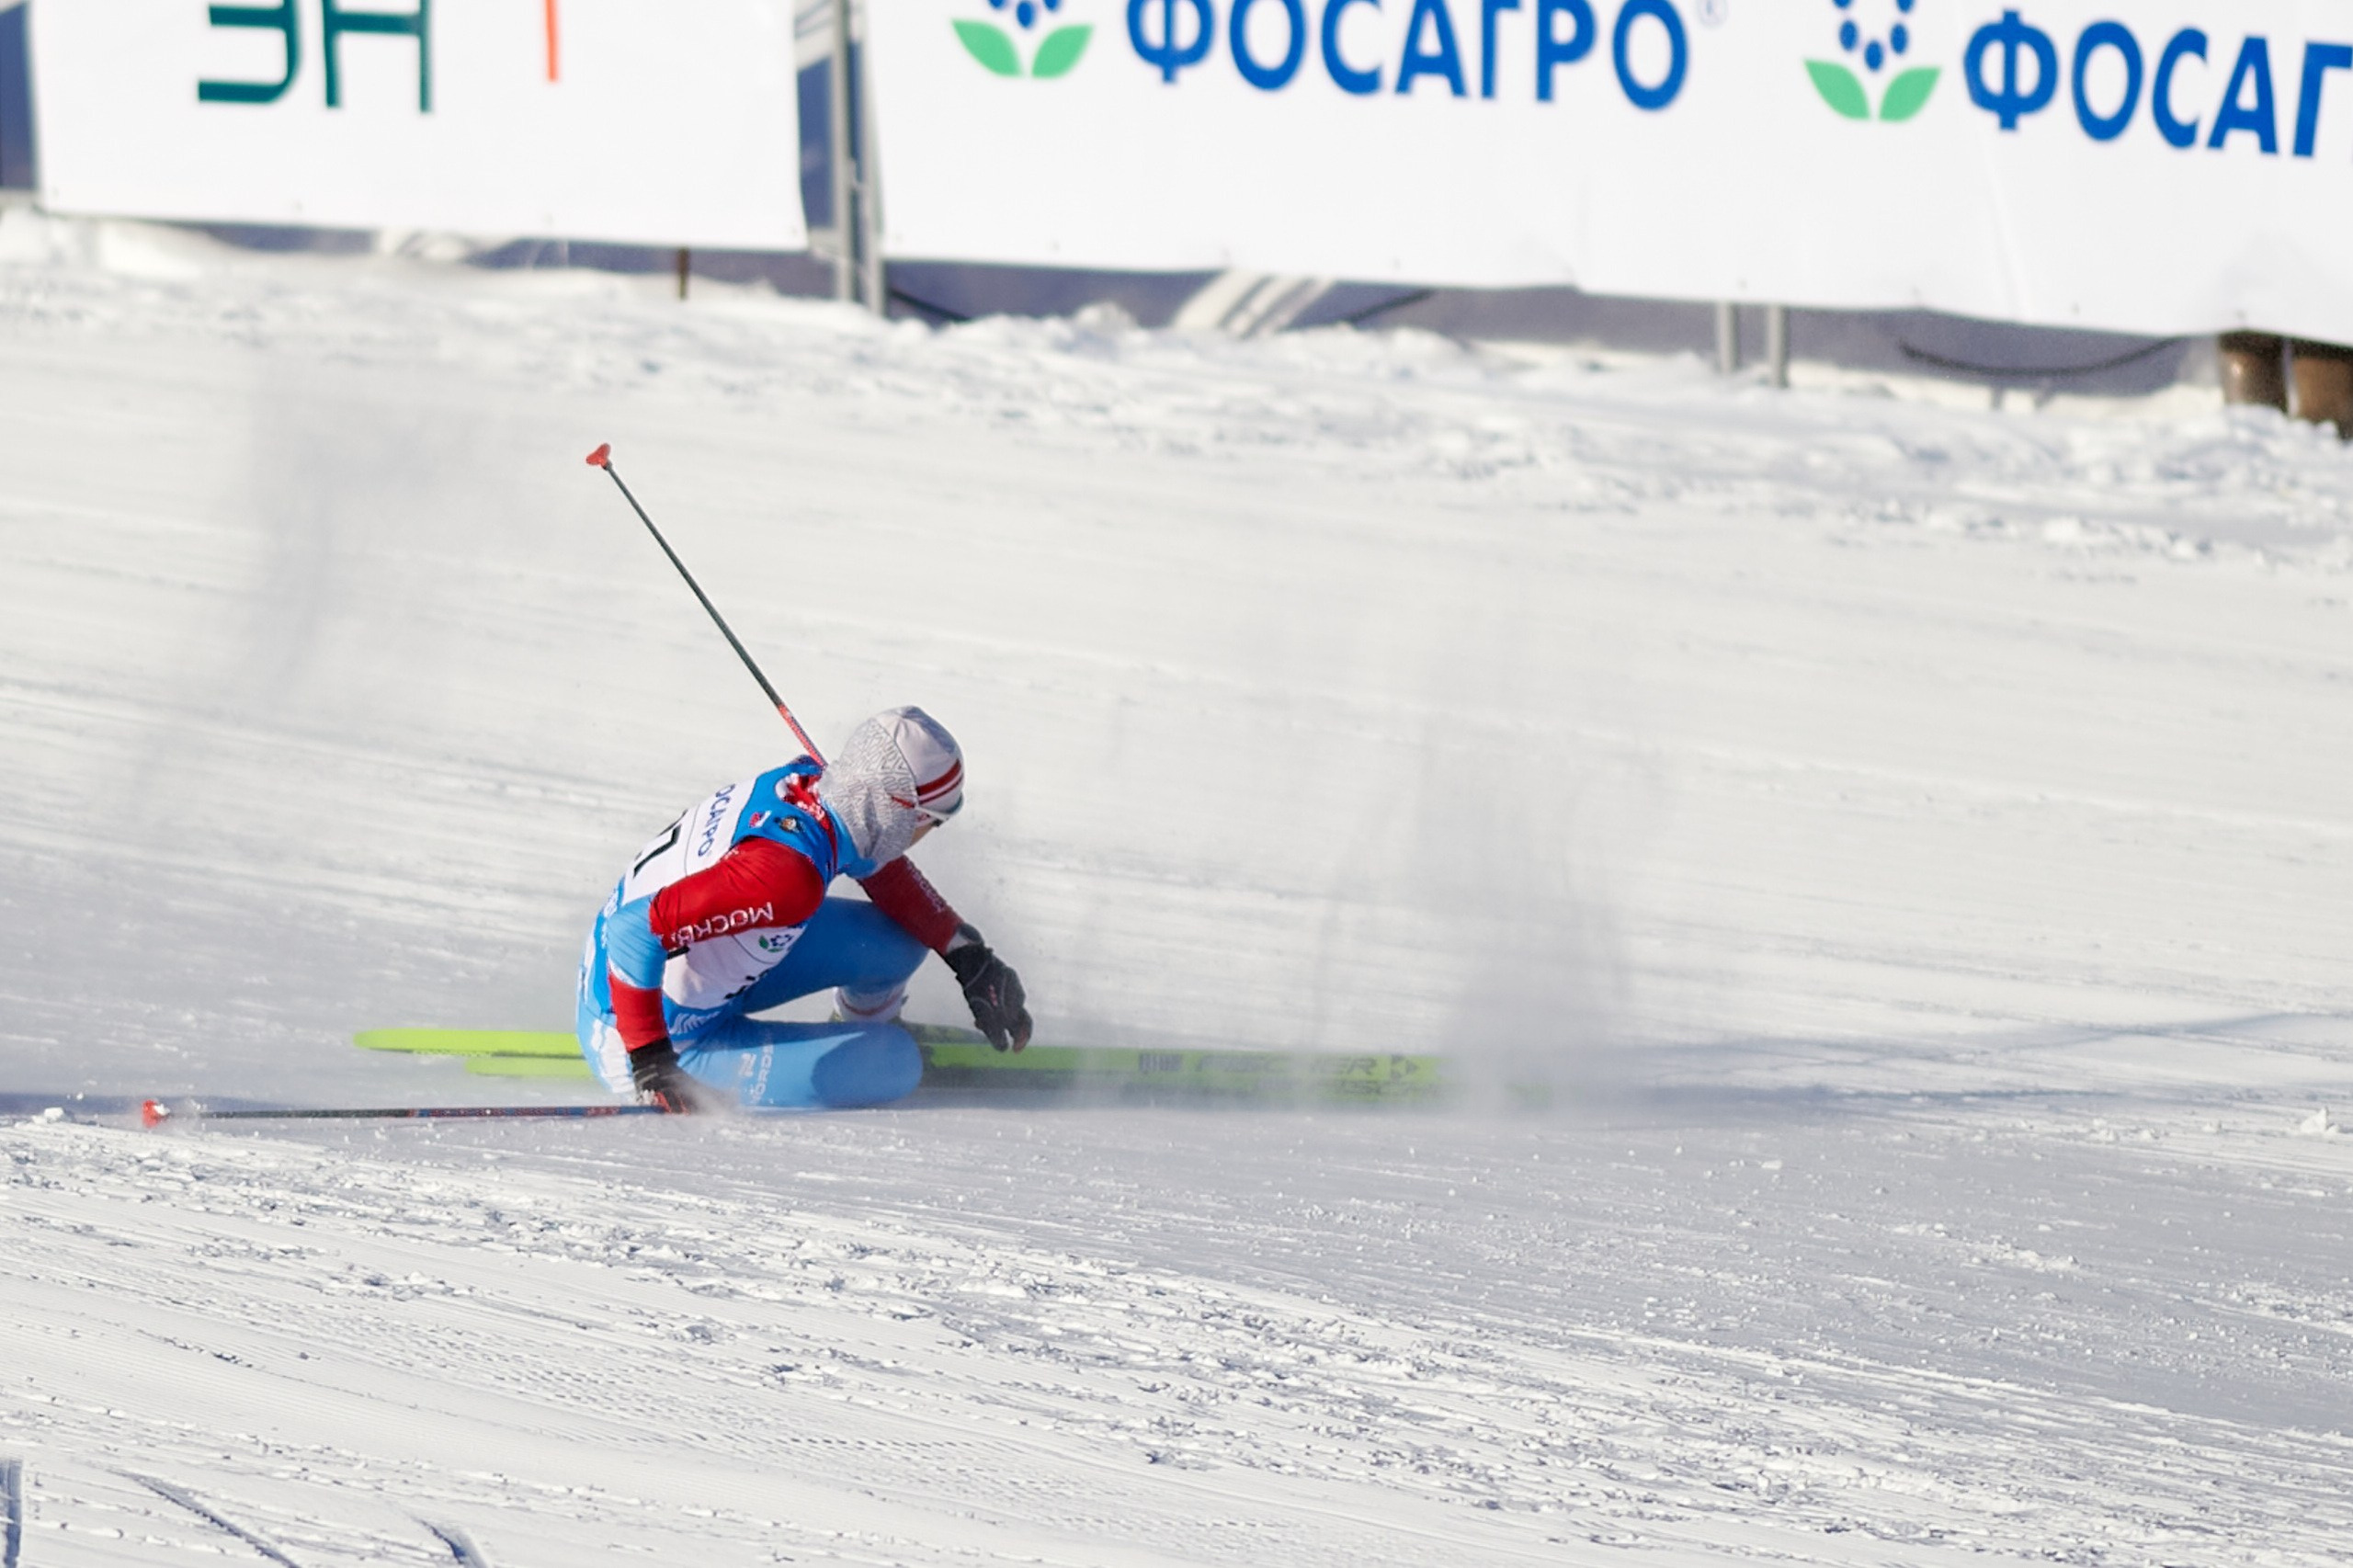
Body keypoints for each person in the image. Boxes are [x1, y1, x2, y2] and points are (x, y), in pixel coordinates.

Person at [575, 707, 1030, 1112]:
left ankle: (861, 1032)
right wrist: (651, 1059)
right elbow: (632, 933)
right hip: (643, 1026)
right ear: (901, 811)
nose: (931, 833)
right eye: (935, 820)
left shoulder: (818, 787)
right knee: (896, 1064)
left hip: (699, 977)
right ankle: (869, 1048)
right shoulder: (786, 878)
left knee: (899, 942)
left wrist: (967, 954)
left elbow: (880, 866)